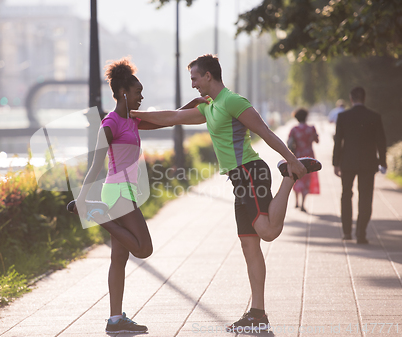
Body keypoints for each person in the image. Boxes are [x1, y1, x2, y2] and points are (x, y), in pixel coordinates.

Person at [131, 54, 321, 333]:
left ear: (209, 75)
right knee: (249, 245)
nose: (193, 84)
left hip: (250, 171)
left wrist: (292, 159)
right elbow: (171, 117)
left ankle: (289, 178)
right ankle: (258, 313)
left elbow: (265, 132)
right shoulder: (209, 108)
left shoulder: (232, 101)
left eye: (195, 78)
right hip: (238, 179)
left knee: (267, 232)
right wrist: (129, 117)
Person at [73, 58, 166, 333]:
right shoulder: (110, 123)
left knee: (118, 259)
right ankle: (95, 213)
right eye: (138, 92)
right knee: (144, 248)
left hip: (124, 191)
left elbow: (165, 120)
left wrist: (191, 109)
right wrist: (82, 197)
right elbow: (96, 165)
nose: (142, 97)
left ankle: (115, 320)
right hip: (116, 191)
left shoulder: (133, 121)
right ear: (124, 92)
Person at [333, 86, 387, 244]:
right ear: (364, 98)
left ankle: (347, 232)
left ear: (351, 99)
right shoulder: (374, 116)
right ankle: (361, 233)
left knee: (346, 196)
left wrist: (336, 163)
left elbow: (338, 142)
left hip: (347, 162)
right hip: (368, 163)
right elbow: (381, 141)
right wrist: (382, 162)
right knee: (365, 197)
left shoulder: (343, 117)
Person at [288, 108, 320, 212]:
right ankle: (303, 203)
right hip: (309, 157)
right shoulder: (311, 129)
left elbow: (289, 143)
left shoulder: (294, 129)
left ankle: (296, 201)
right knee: (307, 179)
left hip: (297, 156)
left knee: (296, 177)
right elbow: (317, 140)